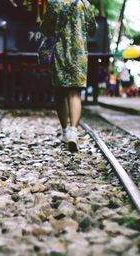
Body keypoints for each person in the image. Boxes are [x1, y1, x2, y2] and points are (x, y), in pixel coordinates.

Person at [41, 0, 97, 152]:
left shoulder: (53, 3)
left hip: (60, 54)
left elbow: (46, 29)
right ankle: (73, 131)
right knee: (75, 93)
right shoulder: (83, 3)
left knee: (60, 93)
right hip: (79, 54)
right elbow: (92, 28)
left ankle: (65, 131)